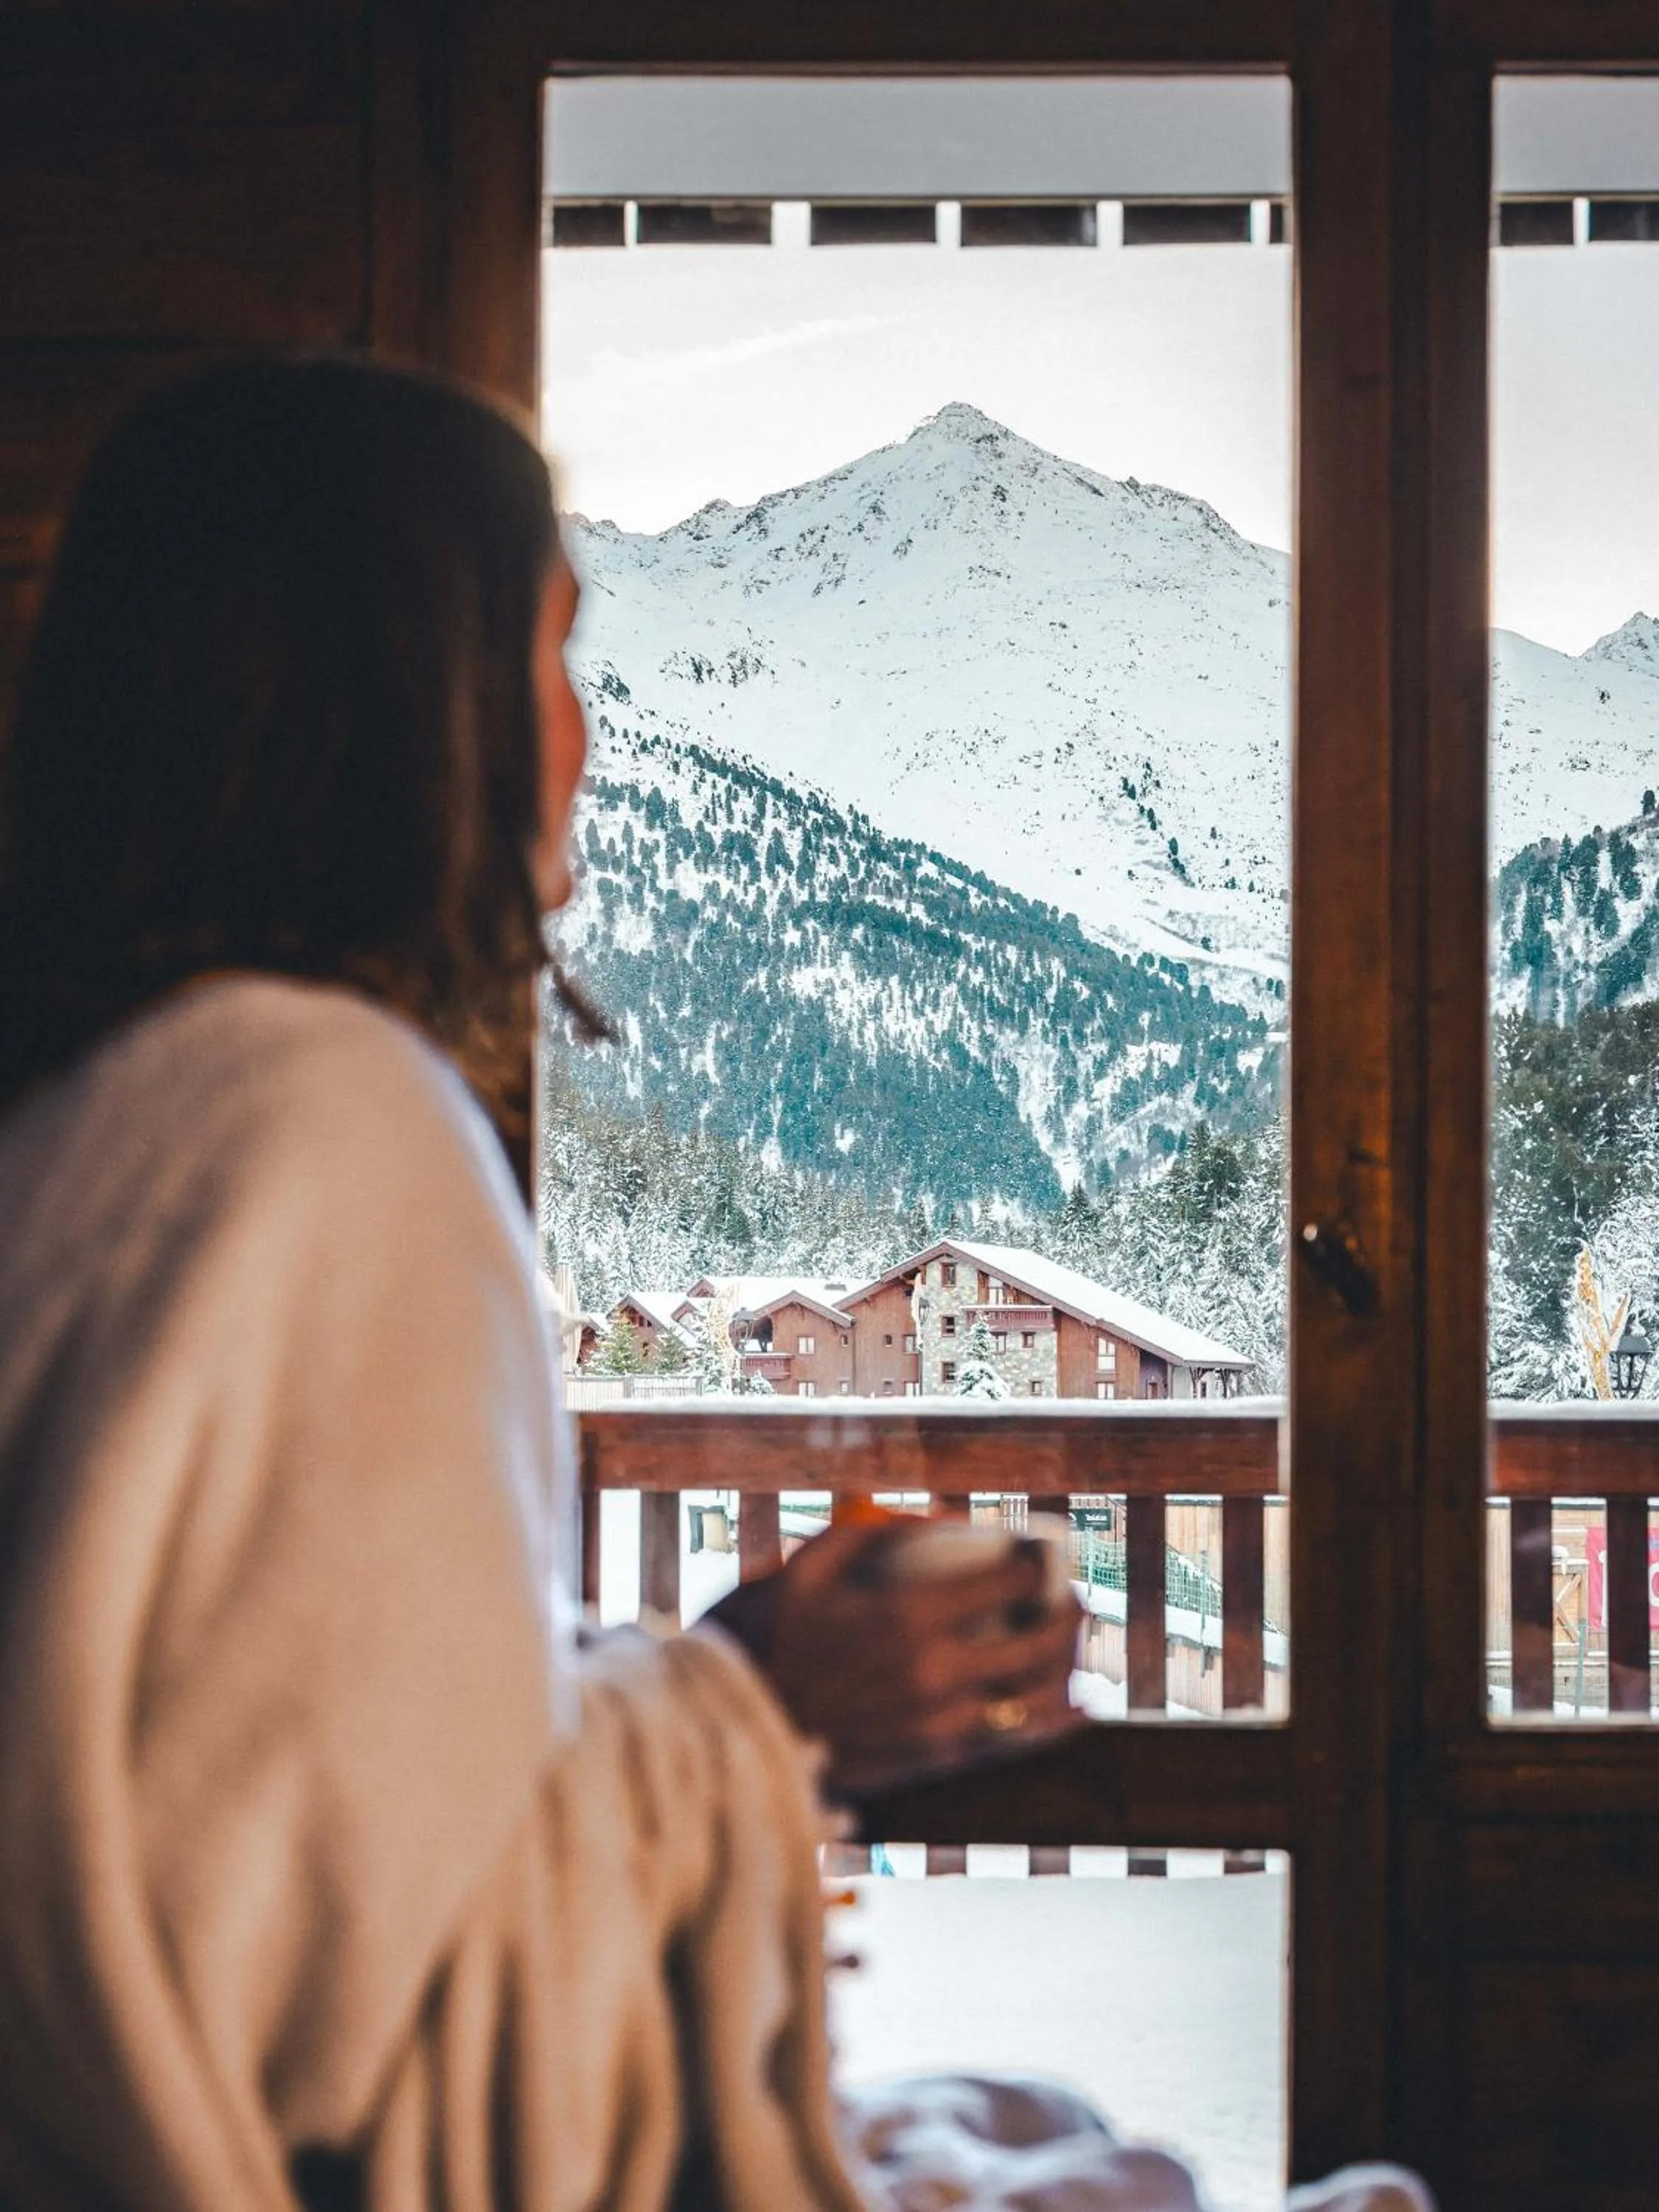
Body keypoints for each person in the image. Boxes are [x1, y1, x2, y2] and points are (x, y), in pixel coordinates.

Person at [0, 358, 1428, 2212]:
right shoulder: (326, 1127)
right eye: (555, 655)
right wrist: (756, 1694)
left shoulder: (95, 1136)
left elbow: (269, 1790)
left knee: (1039, 2130)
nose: (584, 738)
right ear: (407, 705)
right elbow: (324, 2009)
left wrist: (689, 1690)